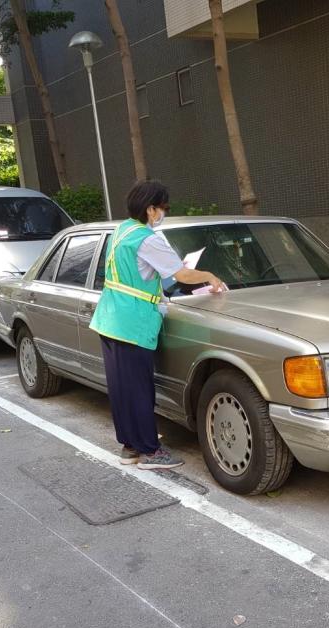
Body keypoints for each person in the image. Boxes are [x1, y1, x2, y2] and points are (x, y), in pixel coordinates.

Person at [90, 180, 223, 470]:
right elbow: (181, 275)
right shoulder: (148, 239)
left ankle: (130, 446)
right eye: (164, 207)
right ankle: (150, 452)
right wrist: (210, 276)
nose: (164, 212)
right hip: (132, 321)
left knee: (122, 388)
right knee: (139, 389)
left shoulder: (122, 230)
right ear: (151, 209)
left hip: (110, 318)